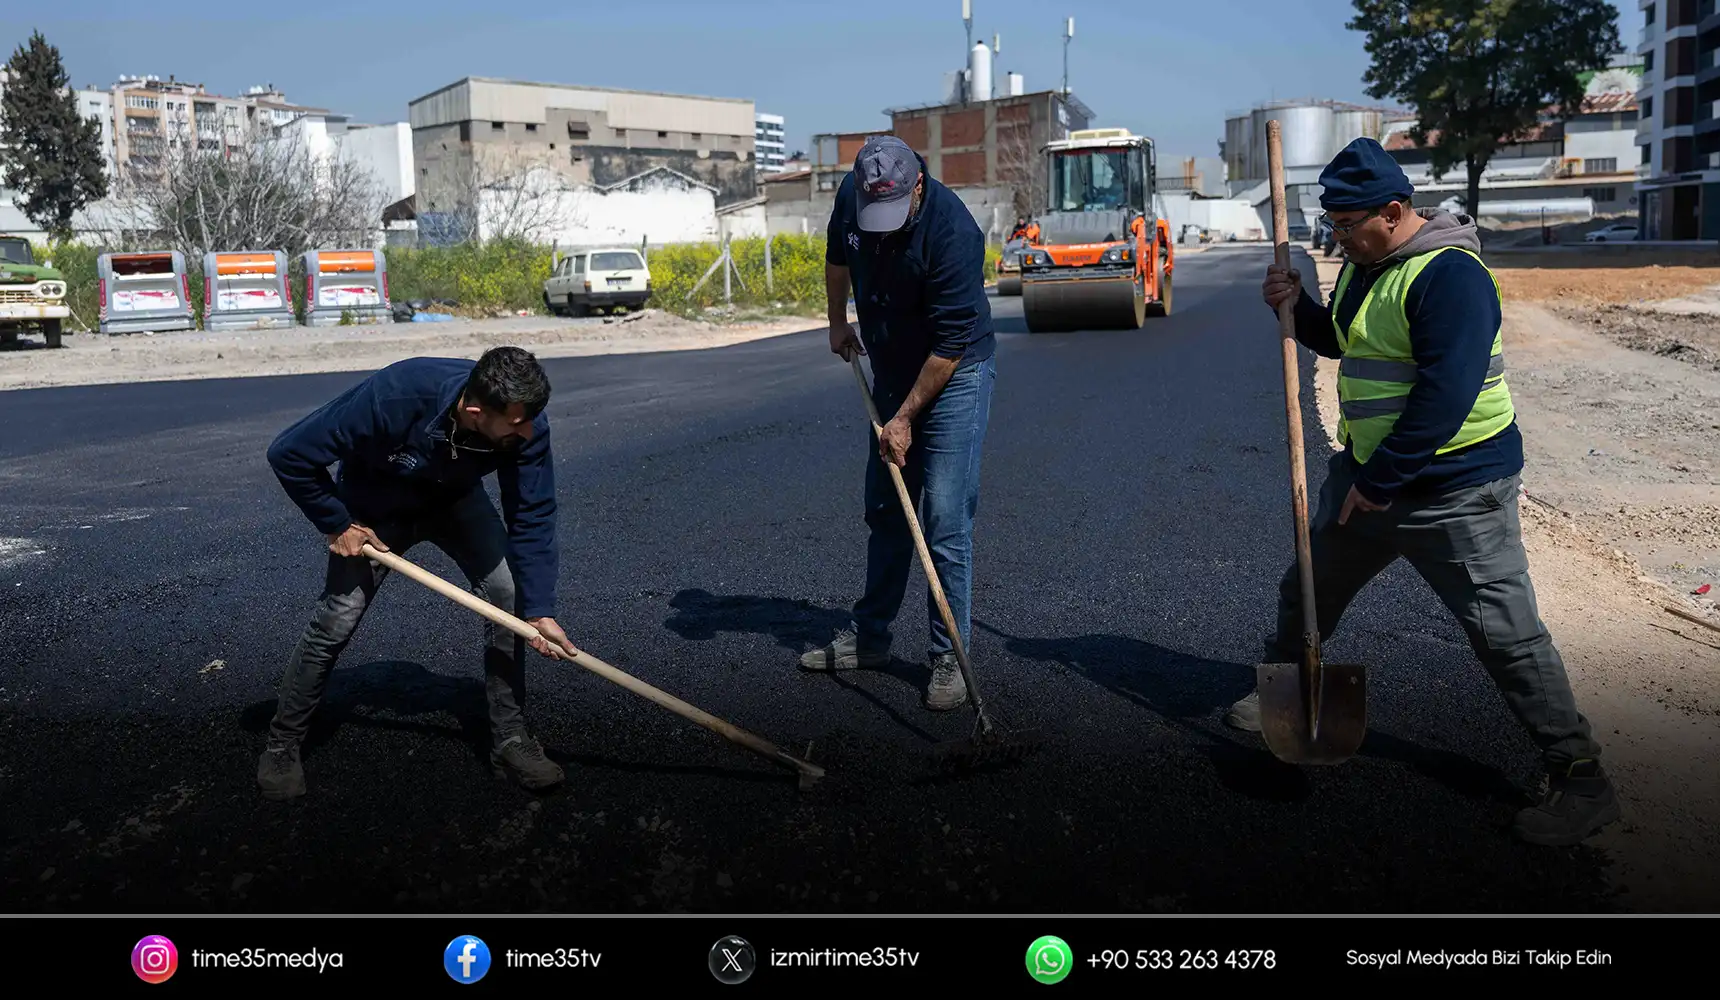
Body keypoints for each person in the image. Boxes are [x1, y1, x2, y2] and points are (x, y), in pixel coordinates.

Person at [1227, 137, 1620, 848]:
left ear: (1394, 211)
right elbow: (1344, 340)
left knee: (1506, 636)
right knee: (1309, 587)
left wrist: (1380, 482)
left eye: (1349, 225)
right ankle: (1288, 691)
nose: (1338, 238)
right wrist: (1296, 306)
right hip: (1369, 480)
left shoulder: (1451, 276)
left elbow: (1445, 395)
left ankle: (1581, 777)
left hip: (1456, 491)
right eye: (1332, 225)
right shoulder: (1365, 267)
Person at [259, 346, 575, 800]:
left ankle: (509, 740)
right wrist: (337, 523)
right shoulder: (396, 394)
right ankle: (282, 744)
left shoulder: (527, 422)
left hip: (455, 500)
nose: (528, 431)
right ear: (475, 412)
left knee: (509, 596)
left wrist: (539, 609)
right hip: (375, 506)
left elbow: (533, 514)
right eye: (516, 424)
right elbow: (288, 453)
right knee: (336, 618)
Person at [800, 135, 998, 711]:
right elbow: (838, 257)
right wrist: (836, 321)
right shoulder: (853, 194)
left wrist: (905, 418)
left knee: (944, 518)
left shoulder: (954, 233)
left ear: (918, 185)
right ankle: (871, 638)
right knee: (887, 507)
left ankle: (949, 655)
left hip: (954, 372)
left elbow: (952, 343)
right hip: (890, 367)